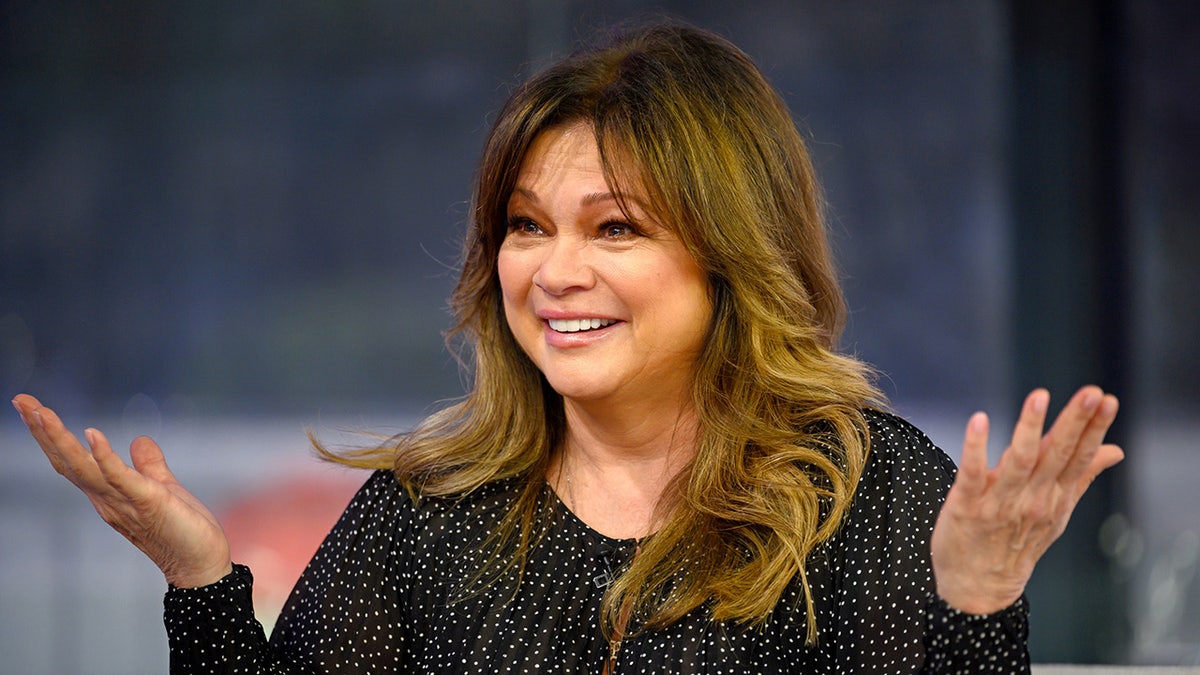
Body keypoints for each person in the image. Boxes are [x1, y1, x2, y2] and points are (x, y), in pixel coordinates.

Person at [12, 21, 1122, 674]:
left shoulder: (862, 493)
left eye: (617, 228)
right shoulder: (427, 507)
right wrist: (202, 580)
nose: (555, 273)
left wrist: (977, 602)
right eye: (527, 226)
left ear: (731, 256)